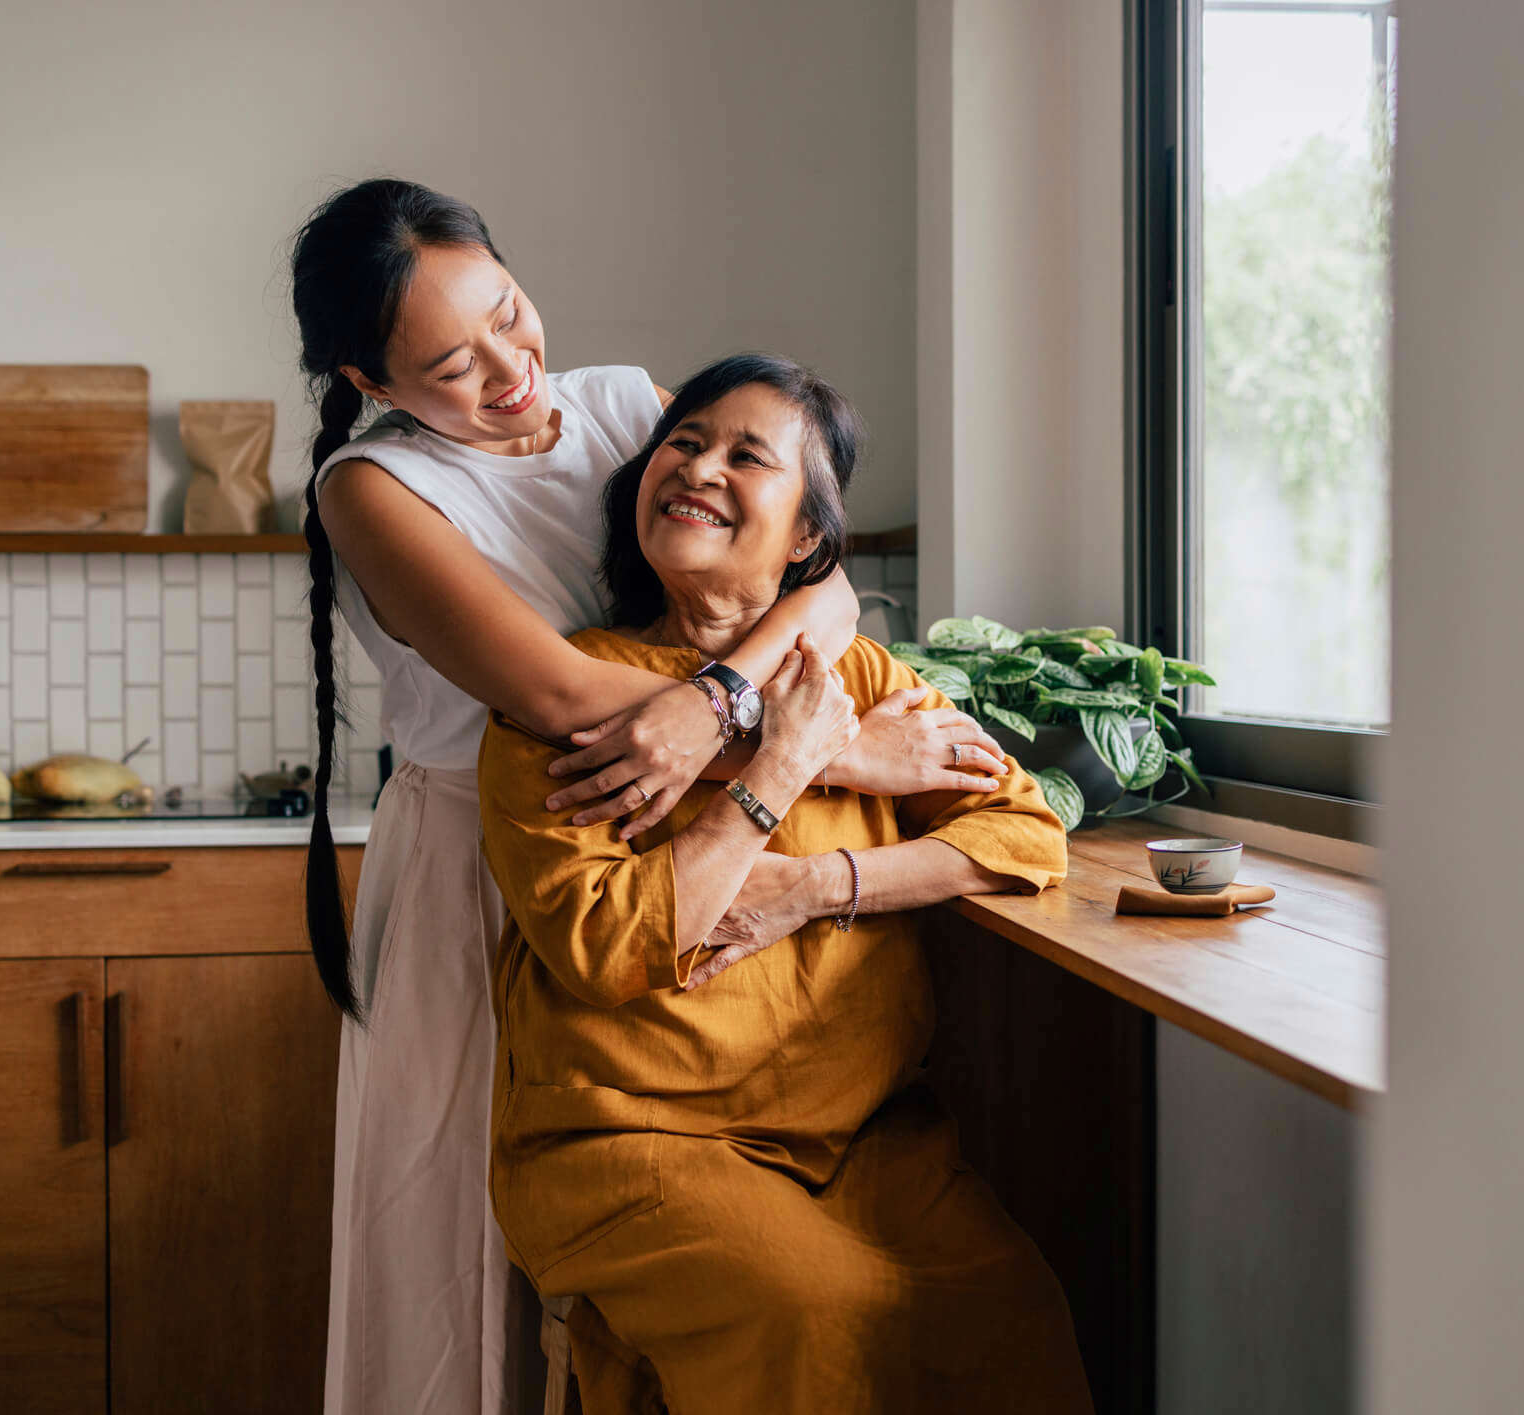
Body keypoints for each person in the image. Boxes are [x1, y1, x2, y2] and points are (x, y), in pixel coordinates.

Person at [289, 181, 1013, 1414]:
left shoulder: (627, 404)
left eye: (511, 315)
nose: (513, 372)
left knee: (694, 1295)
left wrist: (715, 702)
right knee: (458, 1272)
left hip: (679, 839)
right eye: (452, 365)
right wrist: (829, 754)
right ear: (369, 379)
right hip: (492, 864)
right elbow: (569, 699)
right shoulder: (371, 489)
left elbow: (819, 579)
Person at [478, 353, 1095, 1413]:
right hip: (627, 1139)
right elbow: (606, 944)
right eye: (685, 440)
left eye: (745, 454)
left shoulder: (857, 678)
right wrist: (774, 770)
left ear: (806, 536)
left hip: (861, 1140)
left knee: (1012, 1308)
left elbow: (1025, 830)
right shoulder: (564, 696)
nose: (698, 466)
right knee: (810, 1315)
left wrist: (816, 883)